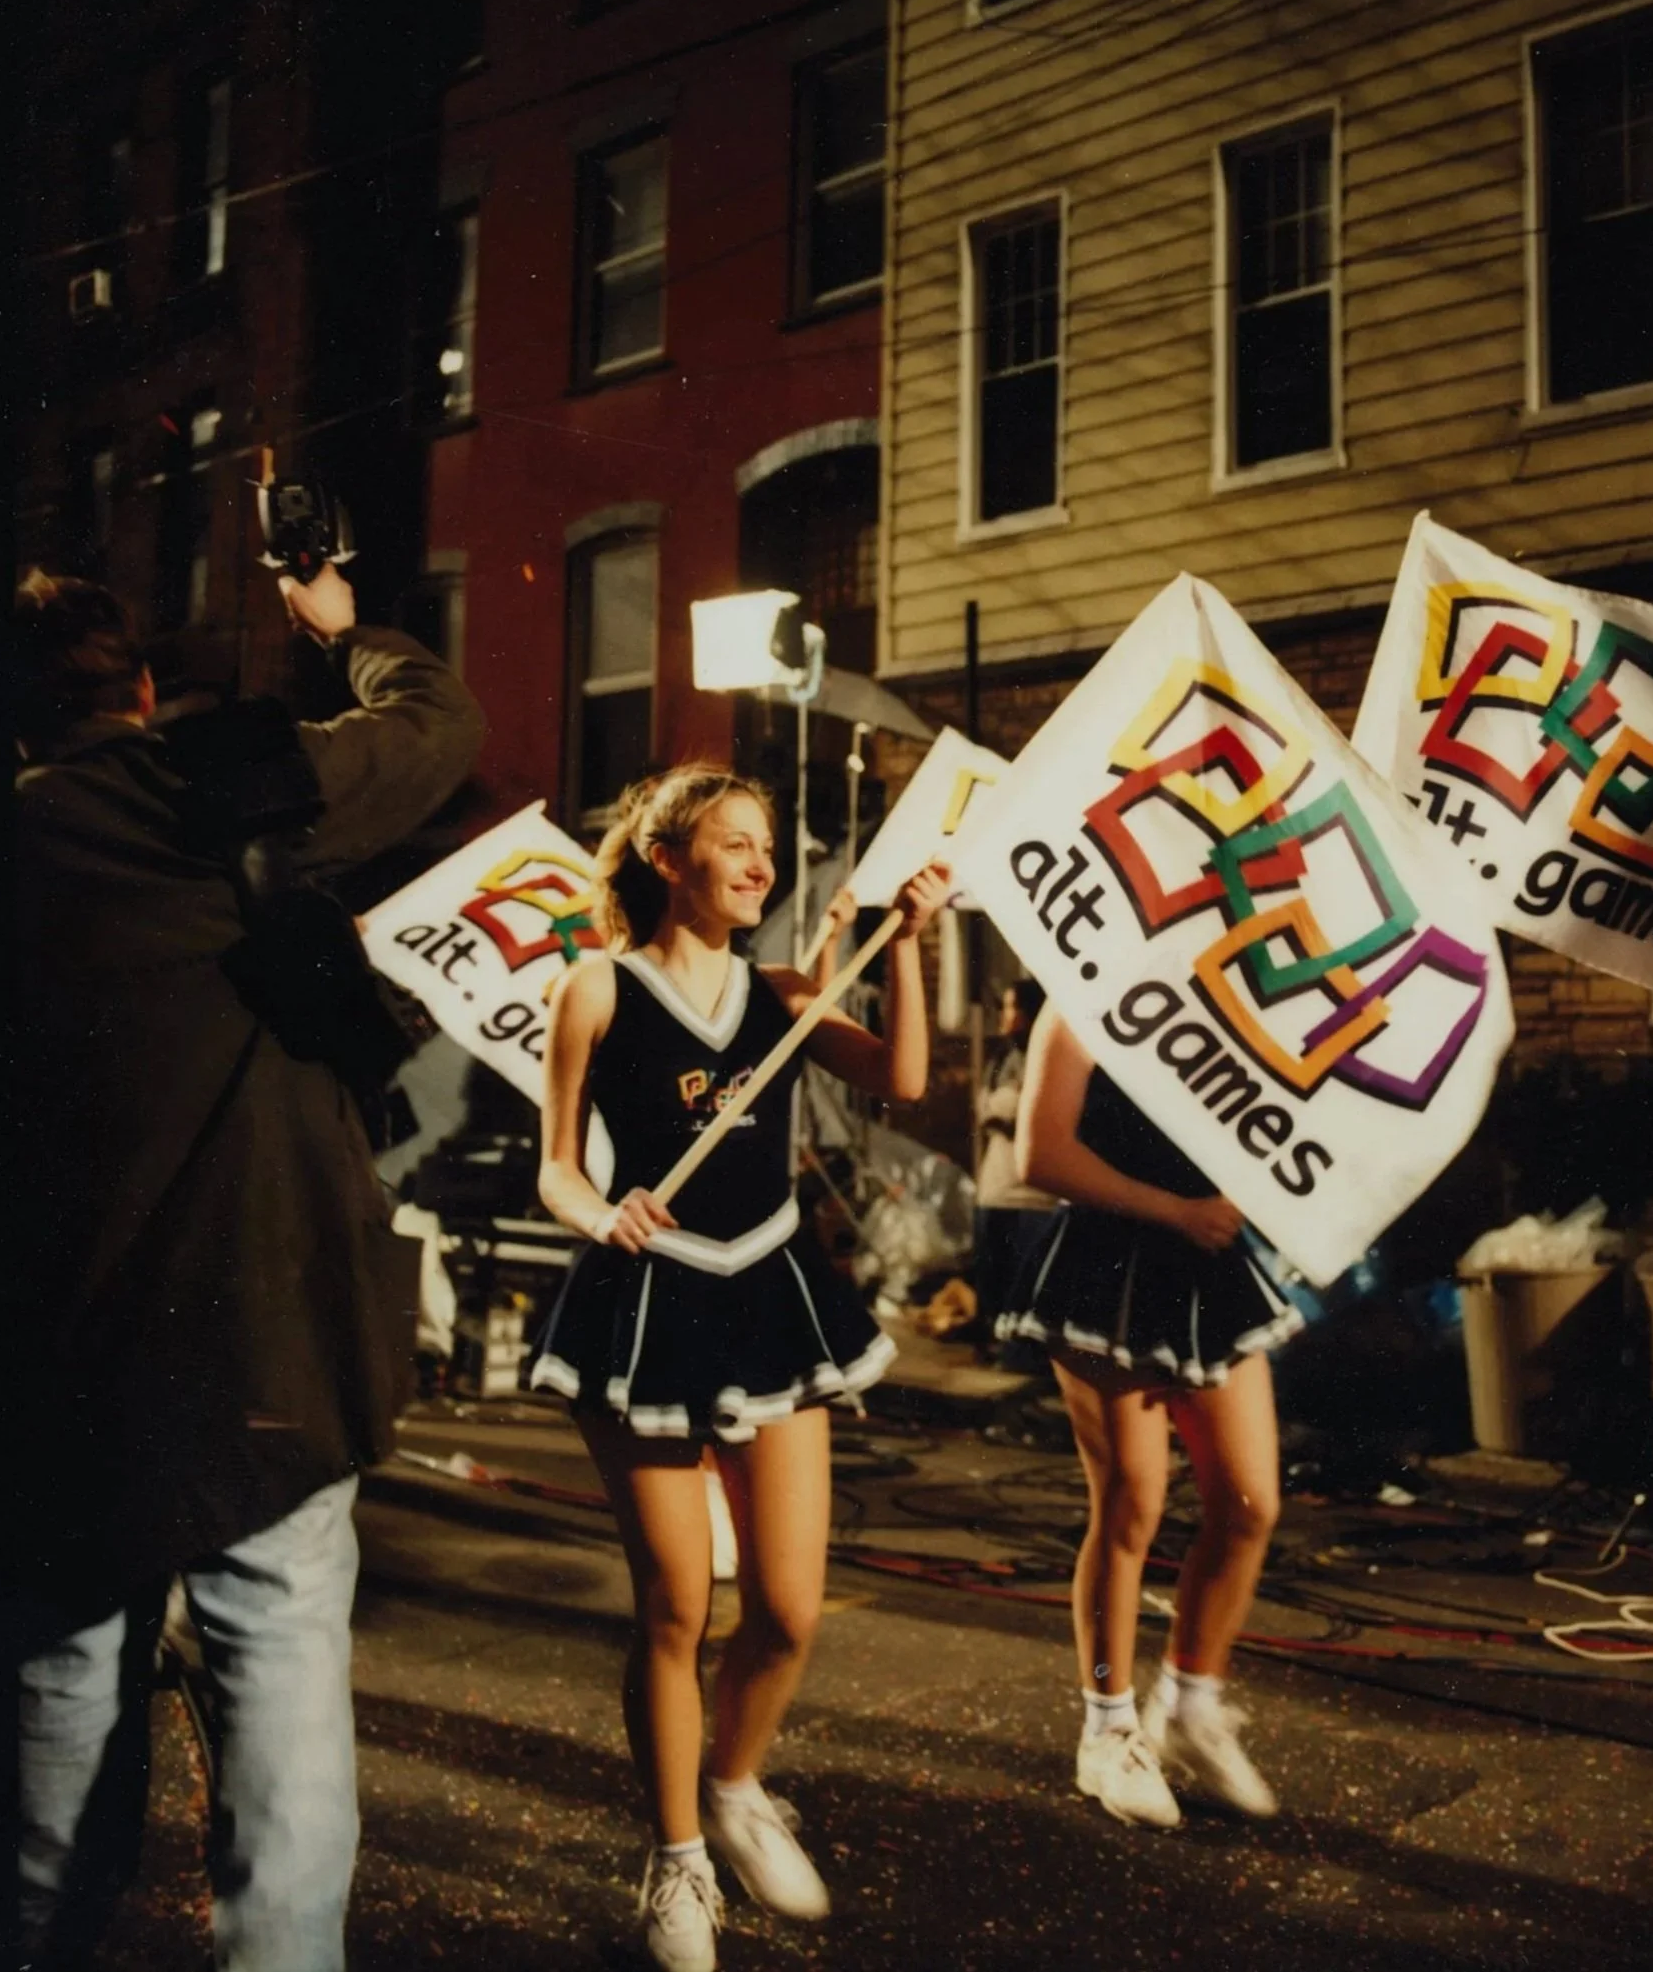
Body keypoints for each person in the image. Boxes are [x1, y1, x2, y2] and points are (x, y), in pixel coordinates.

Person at [5, 546, 485, 1970]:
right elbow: (441, 726)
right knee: (278, 1663)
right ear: (142, 689)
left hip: (62, 1360)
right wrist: (344, 633)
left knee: (58, 1681)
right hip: (272, 1332)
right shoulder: (224, 782)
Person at [525, 764, 947, 1972]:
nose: (760, 864)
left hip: (770, 1294)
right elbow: (554, 1166)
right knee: (674, 1603)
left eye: (766, 845)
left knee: (789, 1607)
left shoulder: (781, 992)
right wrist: (595, 1212)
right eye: (734, 843)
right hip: (647, 1298)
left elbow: (904, 1080)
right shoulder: (595, 986)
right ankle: (676, 1858)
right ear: (668, 857)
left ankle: (734, 1783)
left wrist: (909, 943)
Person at [996, 1007, 1303, 1829]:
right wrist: (1174, 1209)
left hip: (1207, 1264)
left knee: (1250, 1503)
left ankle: (1191, 1707)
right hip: (1107, 1267)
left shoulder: (1224, 998)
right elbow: (1041, 1153)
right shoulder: (1077, 998)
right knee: (1133, 1502)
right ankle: (1108, 1731)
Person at [971, 978, 1057, 1344]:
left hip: (1033, 1194)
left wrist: (1004, 1108)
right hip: (996, 1184)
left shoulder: (1045, 1053)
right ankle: (995, 1341)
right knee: (995, 1273)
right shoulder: (1003, 1057)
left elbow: (1024, 1110)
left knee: (1027, 1278)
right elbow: (987, 1107)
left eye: (1013, 1008)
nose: (1006, 1016)